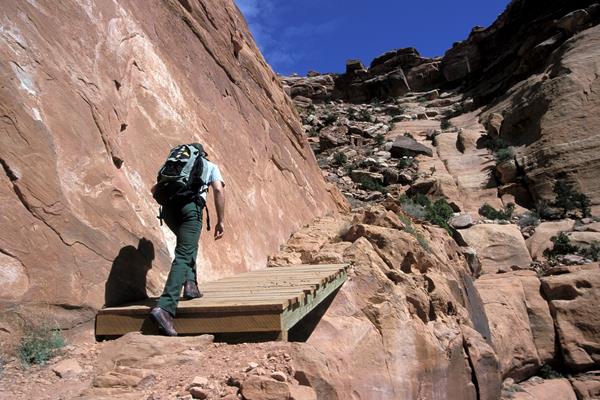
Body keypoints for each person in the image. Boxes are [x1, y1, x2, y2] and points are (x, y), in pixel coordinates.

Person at [149, 145, 225, 336]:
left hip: (168, 209)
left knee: (187, 245)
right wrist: (221, 220)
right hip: (190, 208)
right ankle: (165, 308)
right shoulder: (210, 166)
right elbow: (218, 190)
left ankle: (190, 285)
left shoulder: (173, 165)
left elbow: (154, 188)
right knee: (183, 254)